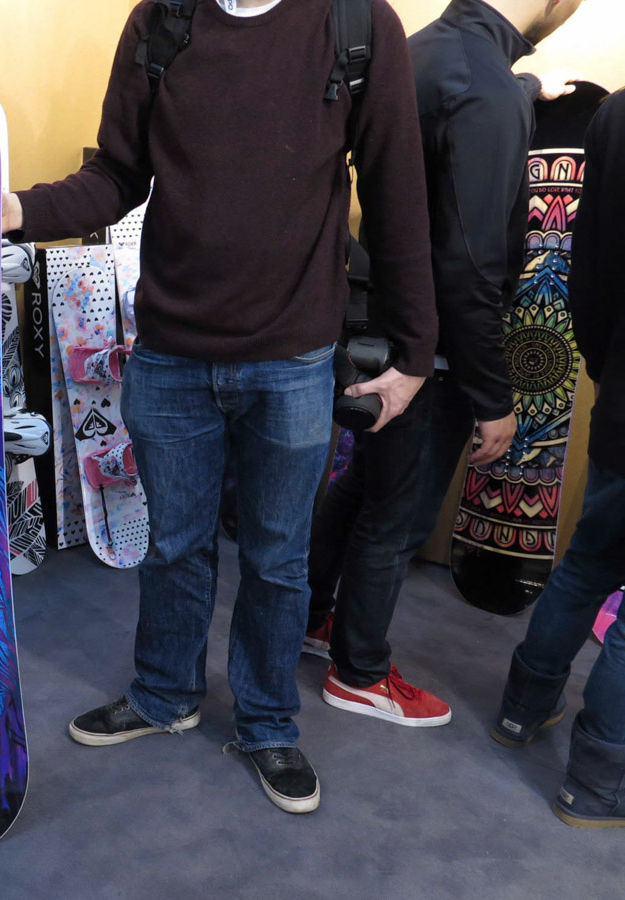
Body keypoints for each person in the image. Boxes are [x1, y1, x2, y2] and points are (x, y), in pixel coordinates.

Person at [2, 0, 438, 813]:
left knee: (277, 559)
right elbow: (116, 175)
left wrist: (415, 350)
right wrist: (17, 211)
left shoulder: (356, 24)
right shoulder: (163, 20)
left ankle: (269, 723)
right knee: (173, 546)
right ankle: (165, 693)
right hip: (171, 354)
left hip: (293, 358)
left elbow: (395, 192)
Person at [303, 0, 586, 726]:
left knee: (364, 488)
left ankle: (312, 618)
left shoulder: (424, 50)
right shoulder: (483, 87)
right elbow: (471, 268)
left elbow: (439, 146)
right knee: (396, 516)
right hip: (430, 350)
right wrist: (494, 396)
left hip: (378, 324)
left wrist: (525, 89)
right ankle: (359, 673)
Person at [491, 88, 625, 829]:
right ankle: (598, 783)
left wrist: (609, 368)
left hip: (623, 392)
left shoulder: (617, 116)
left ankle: (522, 706)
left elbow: (589, 272)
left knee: (587, 562)